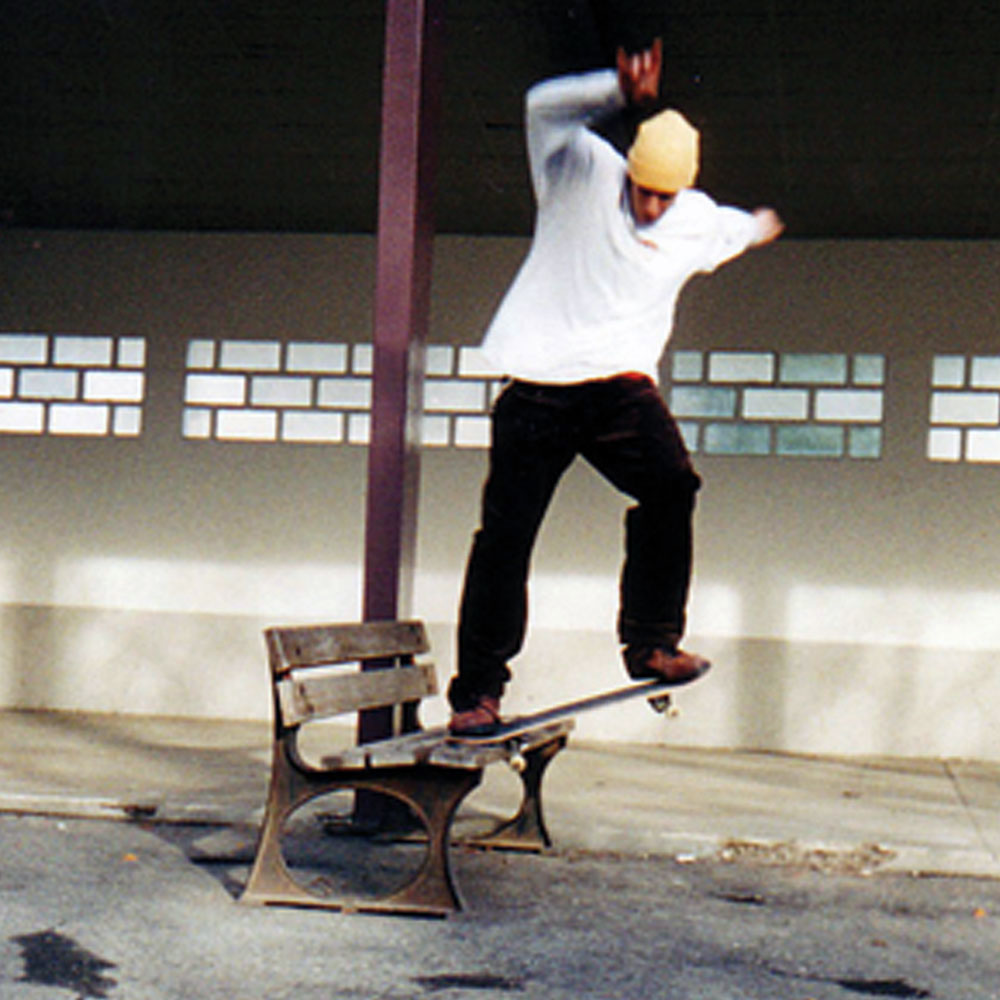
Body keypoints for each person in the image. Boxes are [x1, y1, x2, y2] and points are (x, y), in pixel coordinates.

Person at [447, 38, 784, 735]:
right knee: (506, 539)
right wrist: (617, 93)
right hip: (536, 388)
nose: (653, 207)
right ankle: (477, 693)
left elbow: (740, 228)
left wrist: (764, 226)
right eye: (643, 191)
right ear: (627, 169)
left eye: (666, 195)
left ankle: (651, 643)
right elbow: (541, 106)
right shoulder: (581, 171)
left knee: (672, 489)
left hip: (619, 393)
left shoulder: (695, 220)